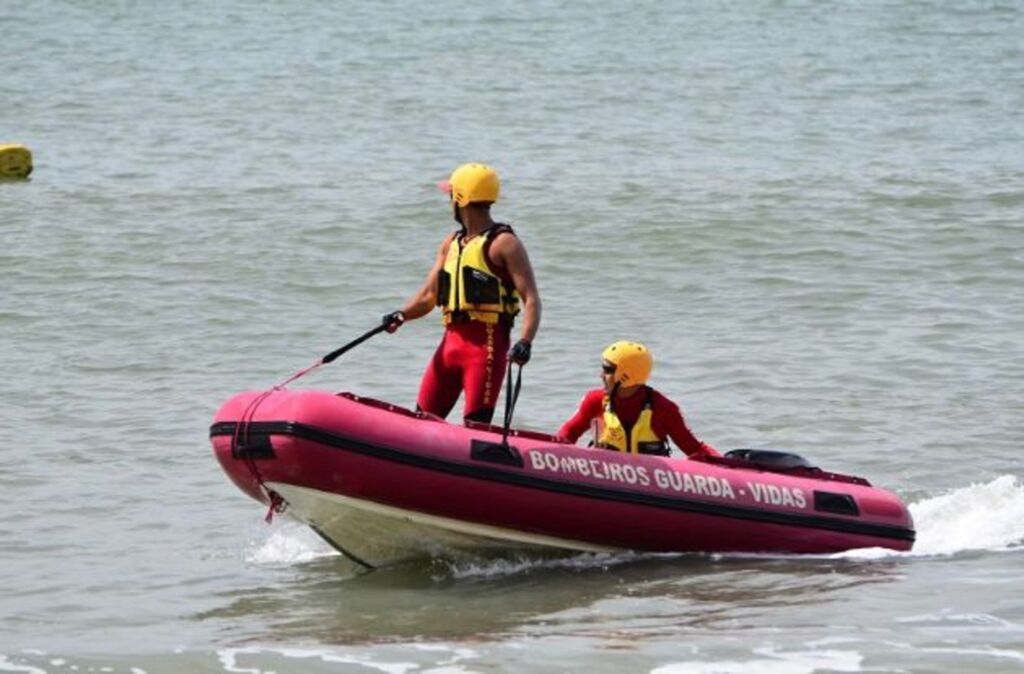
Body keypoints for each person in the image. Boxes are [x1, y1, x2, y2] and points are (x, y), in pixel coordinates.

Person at [382, 163, 542, 424]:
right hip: (449, 345)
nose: (449, 202)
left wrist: (525, 342)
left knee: (475, 427)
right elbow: (428, 297)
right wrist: (401, 315)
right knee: (420, 422)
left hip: (486, 347)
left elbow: (532, 299)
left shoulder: (504, 244)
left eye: (451, 195)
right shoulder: (451, 243)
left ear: (461, 198)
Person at [557, 341, 720, 459]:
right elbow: (568, 433)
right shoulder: (594, 401)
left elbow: (694, 449)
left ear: (625, 375)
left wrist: (726, 466)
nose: (601, 375)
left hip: (648, 487)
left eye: (607, 370)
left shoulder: (663, 409)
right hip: (604, 483)